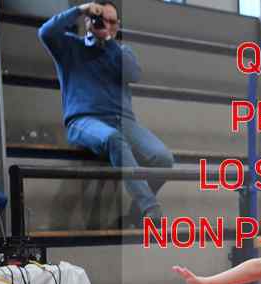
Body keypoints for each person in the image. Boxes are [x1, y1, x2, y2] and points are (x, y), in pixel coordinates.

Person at [38, 1, 170, 227]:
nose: (105, 24)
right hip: (84, 120)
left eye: (111, 22)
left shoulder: (121, 51)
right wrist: (81, 9)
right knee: (114, 139)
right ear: (88, 21)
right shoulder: (70, 46)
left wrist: (108, 41)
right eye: (100, 19)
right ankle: (150, 208)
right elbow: (45, 32)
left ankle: (136, 214)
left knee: (163, 158)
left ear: (117, 26)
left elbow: (133, 74)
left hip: (123, 121)